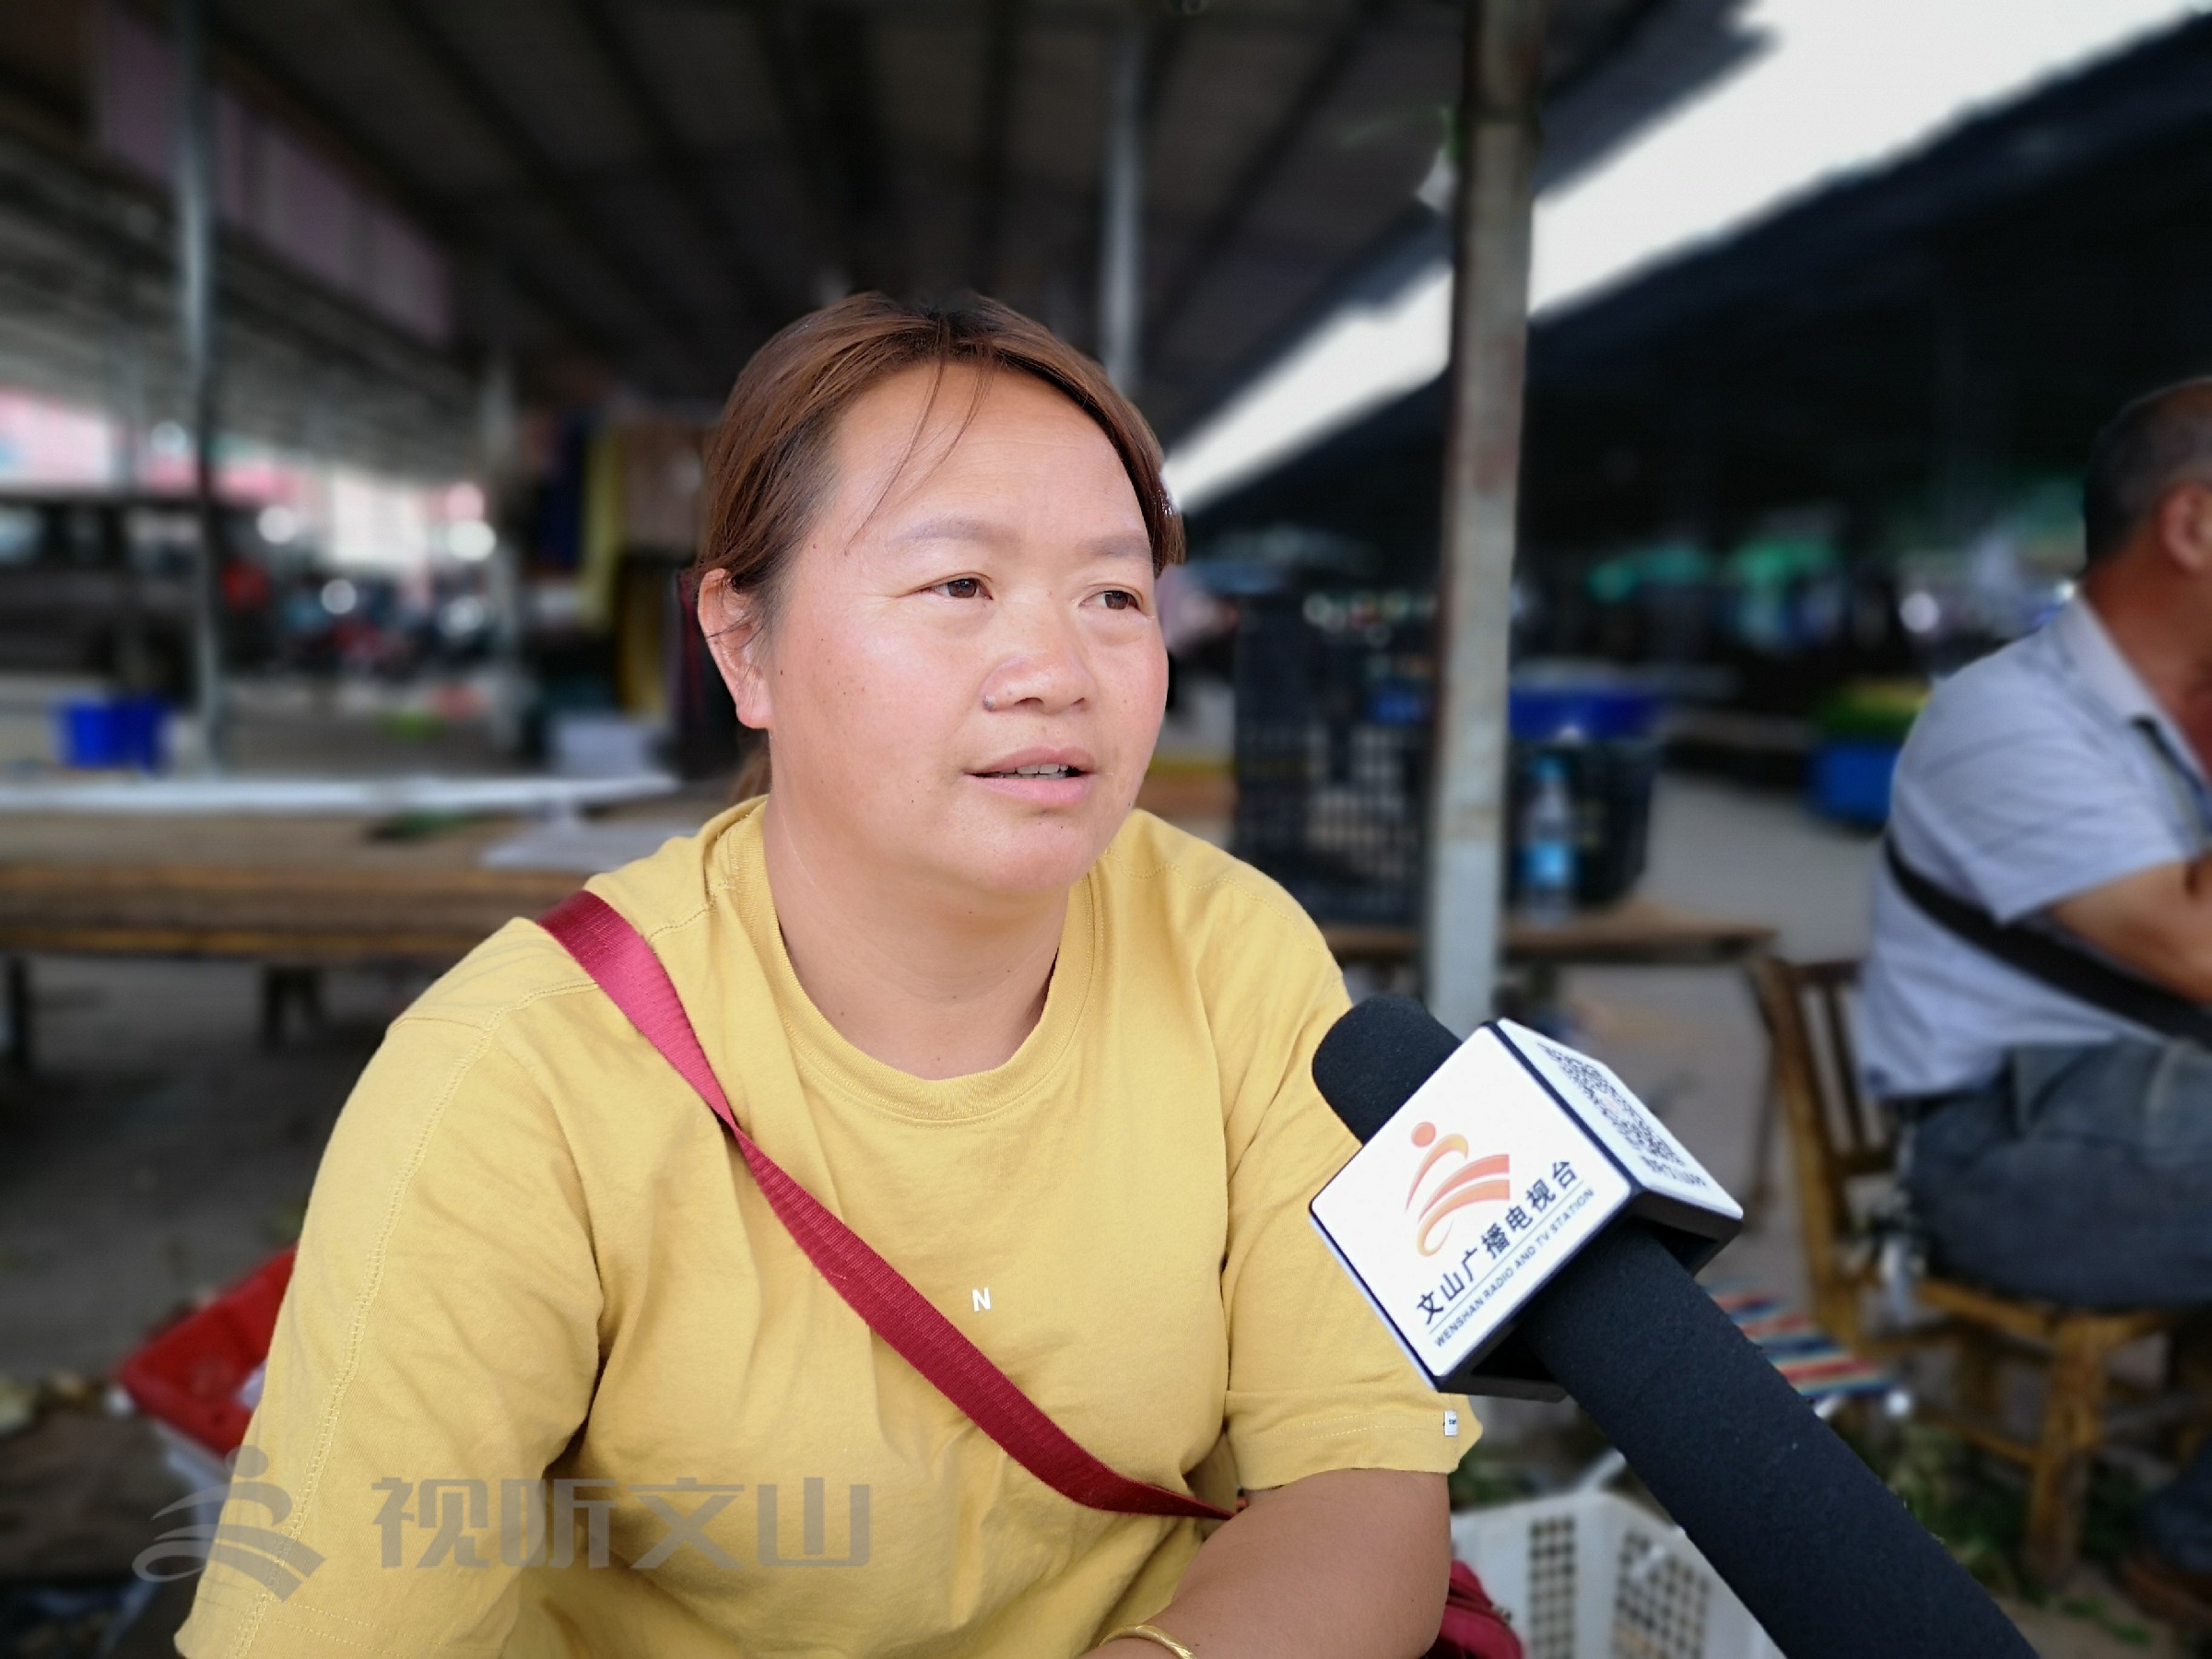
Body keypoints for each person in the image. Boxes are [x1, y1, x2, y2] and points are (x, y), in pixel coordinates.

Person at [175, 296, 1466, 1658]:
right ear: (743, 642)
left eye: (1115, 595)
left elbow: (1358, 1479)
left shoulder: (1233, 954)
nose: (1058, 672)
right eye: (959, 586)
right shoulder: (515, 1076)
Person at [1860, 379, 2212, 1624]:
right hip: (2002, 1153)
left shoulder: (2173, 729)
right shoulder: (2008, 717)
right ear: (2193, 527)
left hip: (2148, 1112)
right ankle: (2187, 1546)